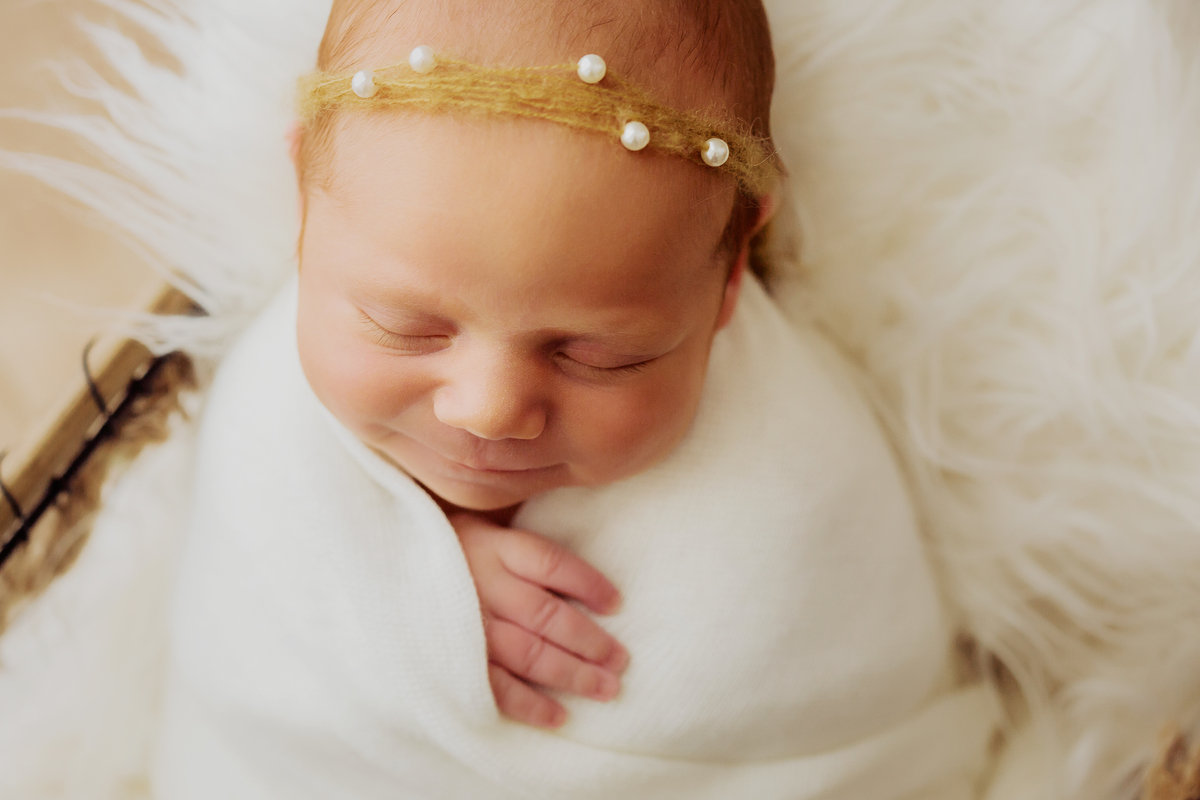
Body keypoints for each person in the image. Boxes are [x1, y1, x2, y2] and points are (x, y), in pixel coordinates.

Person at [150, 0, 1000, 797]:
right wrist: (410, 591)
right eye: (406, 327)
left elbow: (849, 718)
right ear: (304, 203)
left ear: (732, 271)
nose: (488, 410)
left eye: (597, 357)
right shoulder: (270, 404)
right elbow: (252, 612)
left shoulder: (795, 479)